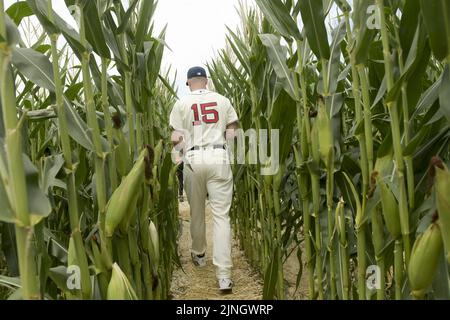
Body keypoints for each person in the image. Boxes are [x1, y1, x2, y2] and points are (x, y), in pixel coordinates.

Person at [169, 66, 238, 292]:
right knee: (221, 216)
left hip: (193, 157)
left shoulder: (181, 104)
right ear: (206, 81)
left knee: (196, 210)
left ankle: (199, 254)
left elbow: (176, 138)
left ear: (189, 82)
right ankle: (224, 276)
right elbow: (232, 130)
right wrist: (225, 147)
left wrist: (181, 156)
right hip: (218, 155)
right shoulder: (223, 100)